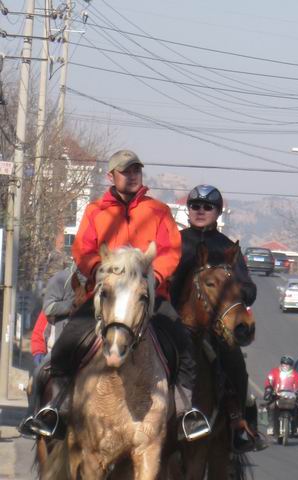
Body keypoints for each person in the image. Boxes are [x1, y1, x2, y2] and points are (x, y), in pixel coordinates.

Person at [20, 150, 207, 440]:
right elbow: (83, 249)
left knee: (183, 344)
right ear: (112, 176)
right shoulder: (96, 211)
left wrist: (152, 279)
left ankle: (186, 413)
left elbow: (170, 250)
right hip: (105, 297)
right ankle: (56, 408)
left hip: (149, 297)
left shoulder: (158, 211)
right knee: (67, 342)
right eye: (125, 171)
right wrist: (100, 273)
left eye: (136, 171)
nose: (132, 176)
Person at [170, 184, 267, 453]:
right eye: (195, 206)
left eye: (207, 206)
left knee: (236, 364)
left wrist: (239, 291)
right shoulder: (174, 241)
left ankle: (241, 426)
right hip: (171, 322)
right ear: (188, 210)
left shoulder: (227, 248)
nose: (200, 211)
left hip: (212, 329)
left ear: (218, 212)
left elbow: (248, 286)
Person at [18, 265, 79, 437]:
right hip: (58, 348)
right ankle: (33, 416)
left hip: (89, 346)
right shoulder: (61, 282)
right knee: (37, 376)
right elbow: (38, 334)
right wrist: (39, 354)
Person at [264, 355, 298, 435]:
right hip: (277, 395)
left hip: (291, 396)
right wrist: (269, 389)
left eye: (287, 365)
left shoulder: (296, 374)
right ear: (281, 364)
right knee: (271, 406)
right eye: (284, 364)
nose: (285, 366)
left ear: (291, 366)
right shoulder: (274, 372)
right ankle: (271, 426)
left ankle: (296, 425)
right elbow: (269, 381)